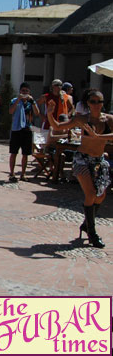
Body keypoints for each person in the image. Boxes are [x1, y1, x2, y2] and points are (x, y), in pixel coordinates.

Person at [46, 89, 112, 248]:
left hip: (99, 161)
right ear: (88, 103)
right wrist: (50, 113)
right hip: (82, 159)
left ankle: (86, 224)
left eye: (100, 101)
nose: (97, 105)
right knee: (90, 194)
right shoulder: (82, 119)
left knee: (101, 196)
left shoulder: (109, 120)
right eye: (93, 101)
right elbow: (57, 126)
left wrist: (98, 137)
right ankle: (92, 233)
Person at [8, 82, 40, 182]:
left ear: (29, 92)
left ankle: (23, 174)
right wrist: (18, 100)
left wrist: (33, 101)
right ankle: (12, 173)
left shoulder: (31, 102)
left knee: (25, 154)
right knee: (13, 152)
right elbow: (10, 111)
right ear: (20, 91)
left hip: (27, 129)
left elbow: (37, 113)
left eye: (26, 91)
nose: (25, 93)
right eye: (23, 91)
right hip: (16, 129)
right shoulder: (14, 101)